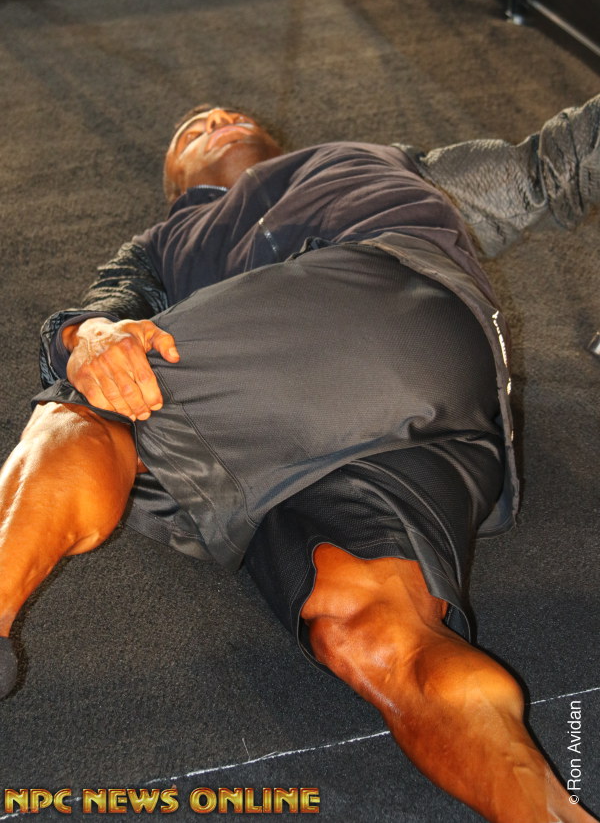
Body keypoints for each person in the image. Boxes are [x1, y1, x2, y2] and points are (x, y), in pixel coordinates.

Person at [0, 102, 598, 823]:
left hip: (394, 316)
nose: (216, 120)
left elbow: (551, 168)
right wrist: (87, 334)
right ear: (175, 183)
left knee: (86, 408)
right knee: (372, 634)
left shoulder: (382, 162)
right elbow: (96, 315)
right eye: (192, 129)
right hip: (404, 435)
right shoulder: (159, 246)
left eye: (228, 113)